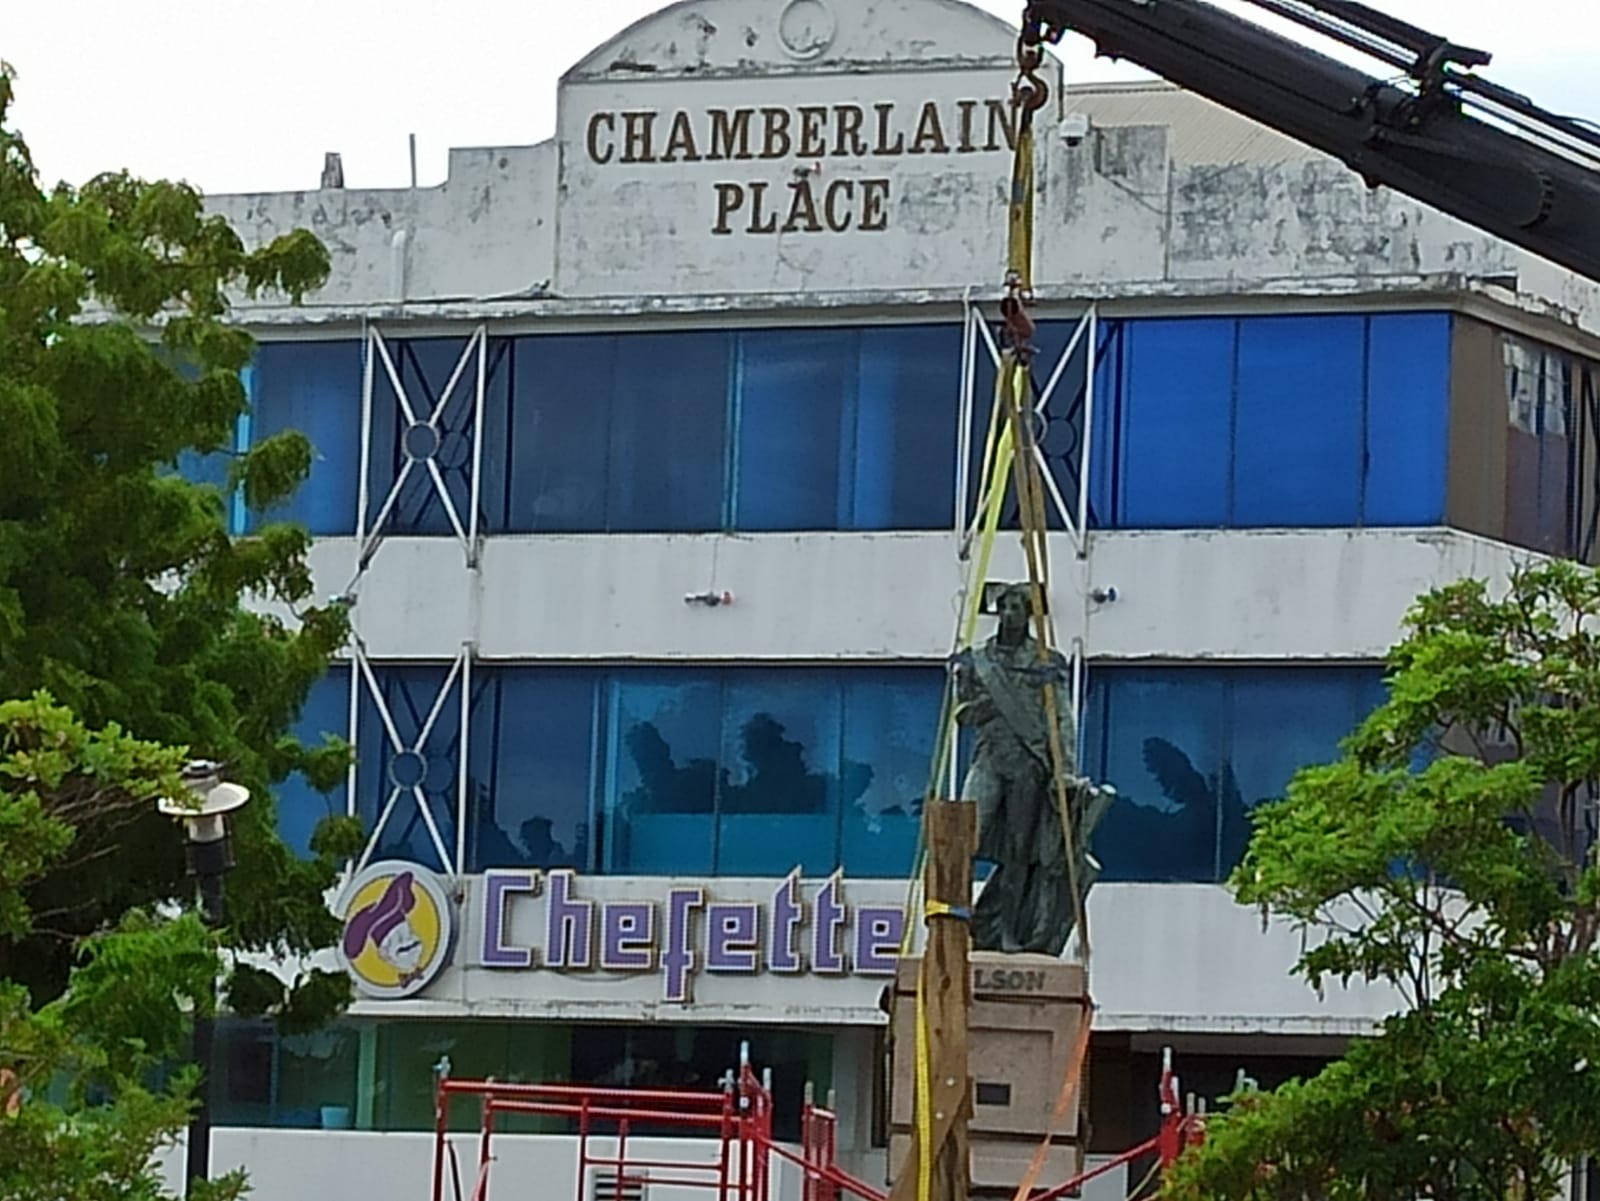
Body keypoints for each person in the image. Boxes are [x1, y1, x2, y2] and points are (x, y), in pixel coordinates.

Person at [953, 583, 1108, 956]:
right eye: (1004, 608)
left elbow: (1062, 720)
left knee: (1018, 851)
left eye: (1018, 608)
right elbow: (964, 714)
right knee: (964, 837)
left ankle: (1008, 931)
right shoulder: (977, 659)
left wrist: (1065, 771)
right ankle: (954, 921)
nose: (1010, 615)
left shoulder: (1046, 661)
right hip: (989, 760)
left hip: (1028, 767)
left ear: (1028, 615)